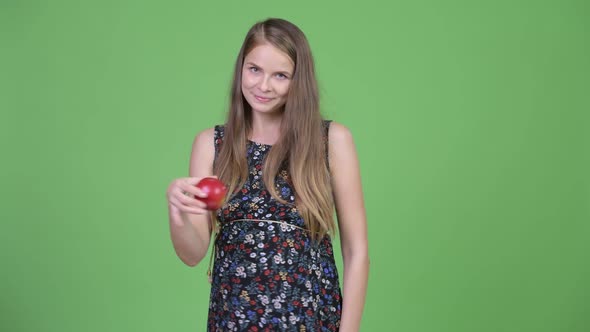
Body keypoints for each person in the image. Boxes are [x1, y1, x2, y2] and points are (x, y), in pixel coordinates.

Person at [166, 18, 369, 332]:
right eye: (254, 69)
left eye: (281, 75)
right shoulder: (211, 145)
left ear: (298, 81)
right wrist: (178, 211)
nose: (263, 86)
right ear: (241, 68)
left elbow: (357, 252)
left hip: (308, 319)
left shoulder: (330, 141)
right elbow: (192, 254)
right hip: (232, 320)